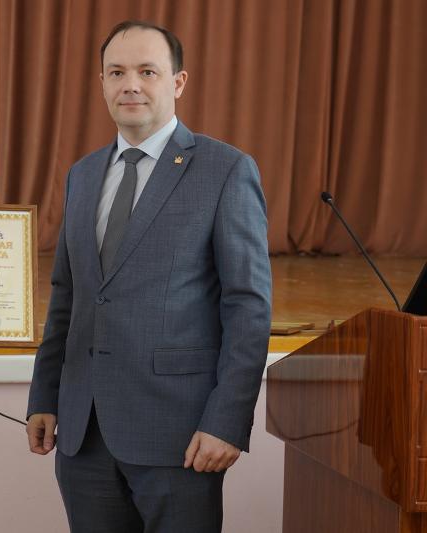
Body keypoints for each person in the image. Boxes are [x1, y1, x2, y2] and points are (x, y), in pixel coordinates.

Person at [26, 20, 272, 533]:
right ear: (101, 83)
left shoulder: (225, 170)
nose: (130, 85)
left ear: (177, 83)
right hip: (84, 437)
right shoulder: (82, 175)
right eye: (116, 72)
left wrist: (227, 421)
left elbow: (248, 307)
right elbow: (68, 296)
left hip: (180, 437)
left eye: (147, 71)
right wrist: (44, 396)